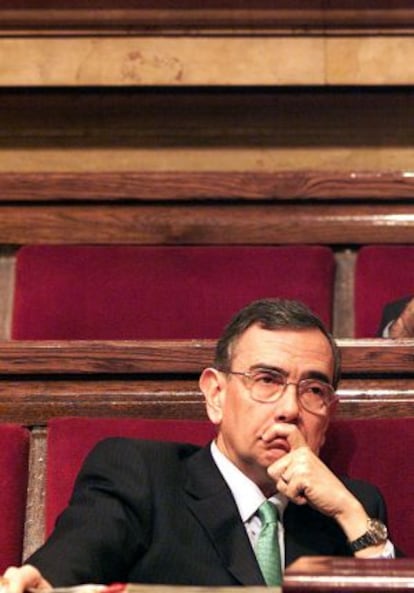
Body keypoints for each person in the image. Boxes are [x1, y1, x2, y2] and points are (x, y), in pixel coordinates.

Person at [3, 298, 396, 592]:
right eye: (267, 380)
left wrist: (352, 517)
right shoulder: (142, 476)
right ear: (216, 395)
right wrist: (46, 578)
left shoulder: (352, 506)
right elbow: (80, 551)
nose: (291, 409)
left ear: (329, 413)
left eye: (313, 389)